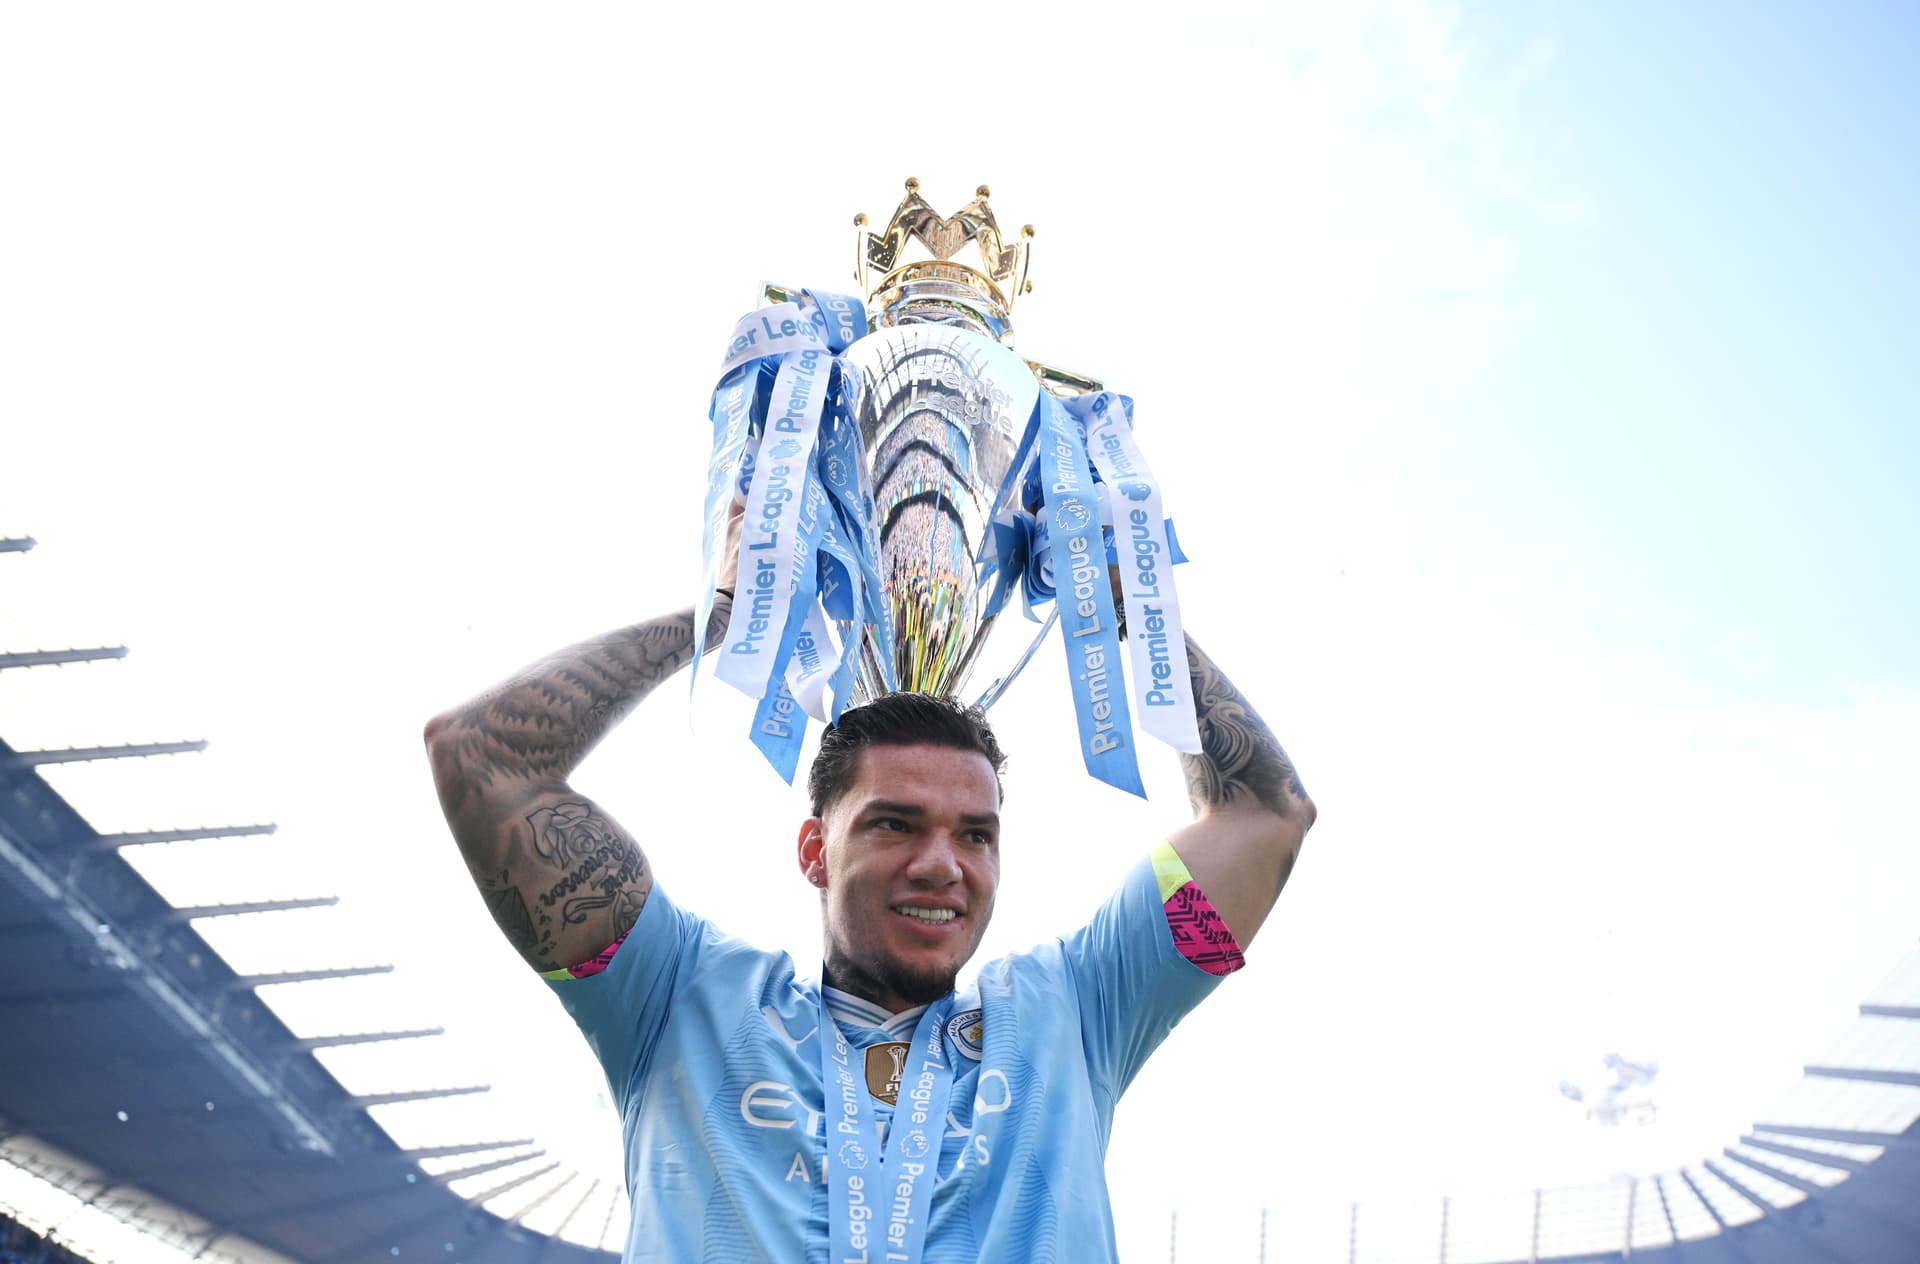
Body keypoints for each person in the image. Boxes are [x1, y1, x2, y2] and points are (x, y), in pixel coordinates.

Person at [424, 518, 1315, 1262]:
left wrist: (1127, 611)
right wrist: (726, 614)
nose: (942, 864)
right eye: (895, 824)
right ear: (816, 850)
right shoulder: (679, 997)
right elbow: (482, 756)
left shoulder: (1075, 1016)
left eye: (975, 834)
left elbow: (1266, 815)